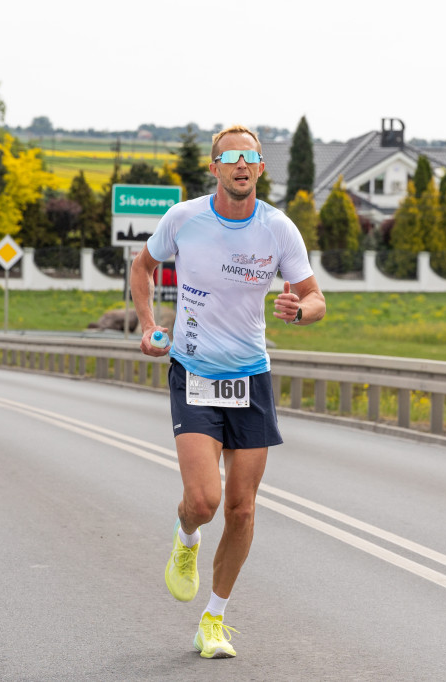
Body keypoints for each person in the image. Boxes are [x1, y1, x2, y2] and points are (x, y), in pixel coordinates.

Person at [130, 125, 325, 659]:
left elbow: (314, 298)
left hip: (251, 378)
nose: (241, 165)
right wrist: (147, 324)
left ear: (261, 169)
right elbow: (142, 266)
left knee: (241, 510)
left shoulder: (279, 231)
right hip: (193, 372)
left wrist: (300, 311)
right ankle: (186, 537)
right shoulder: (184, 220)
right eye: (230, 157)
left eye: (251, 158)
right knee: (204, 501)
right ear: (214, 168)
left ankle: (213, 619)